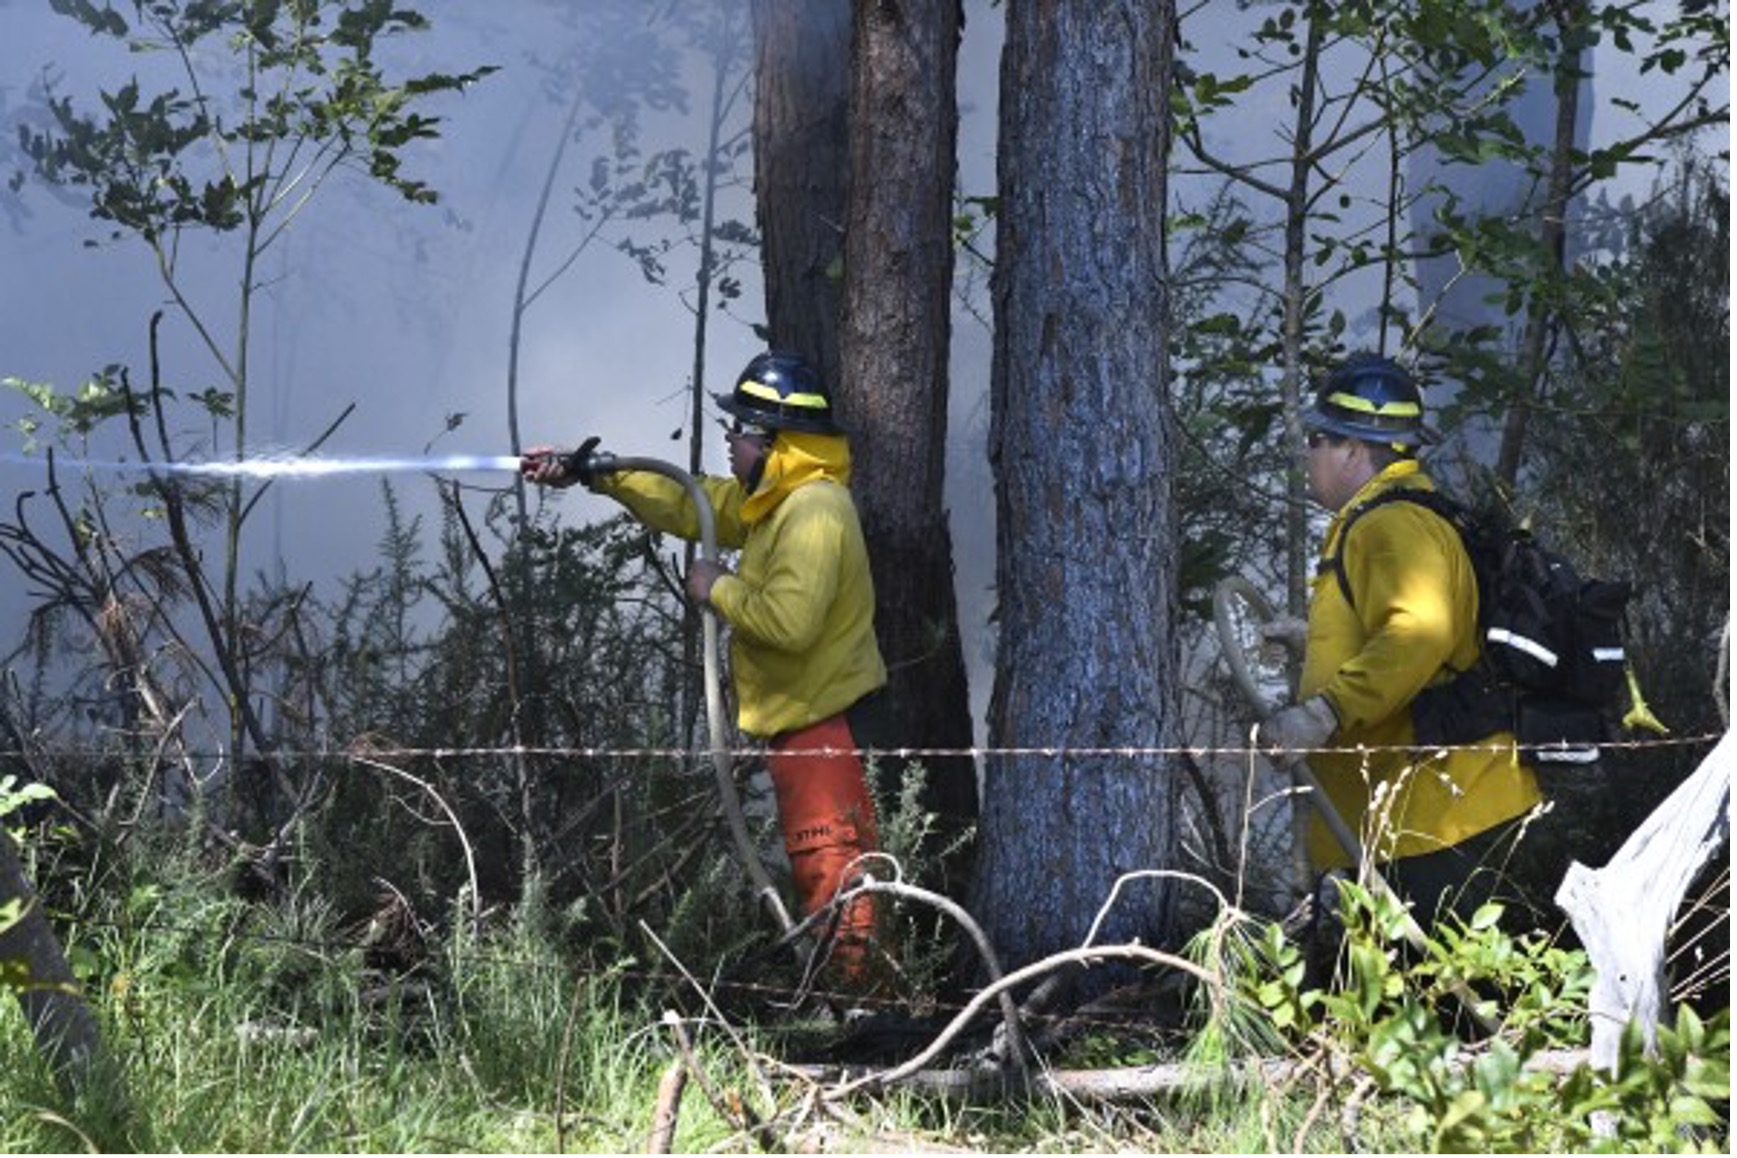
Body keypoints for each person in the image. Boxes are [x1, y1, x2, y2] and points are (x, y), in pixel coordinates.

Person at [522, 350, 888, 983]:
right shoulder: (778, 501)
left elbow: (791, 624)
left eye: (741, 431)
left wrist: (715, 587)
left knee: (836, 870)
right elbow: (690, 502)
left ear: (778, 442)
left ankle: (868, 1012)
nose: (730, 441)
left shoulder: (814, 510)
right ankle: (850, 1001)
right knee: (824, 870)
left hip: (827, 728)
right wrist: (595, 473)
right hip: (806, 726)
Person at [1260, 353, 1545, 932]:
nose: (1308, 454)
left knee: (1435, 1005)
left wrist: (1323, 712)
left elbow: (1420, 632)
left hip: (1434, 821)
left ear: (1352, 450)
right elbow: (1407, 629)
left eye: (1318, 438)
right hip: (1424, 815)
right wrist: (1314, 639)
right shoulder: (1400, 516)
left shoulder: (1387, 525)